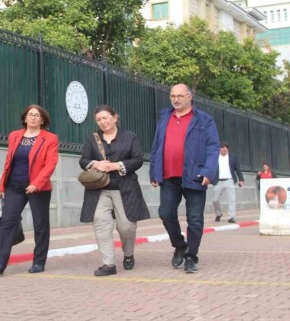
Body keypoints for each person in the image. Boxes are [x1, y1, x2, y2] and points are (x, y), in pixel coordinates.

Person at [150, 83, 220, 274]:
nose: (176, 99)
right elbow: (157, 146)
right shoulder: (164, 117)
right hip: (169, 175)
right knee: (165, 213)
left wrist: (208, 171)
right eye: (173, 96)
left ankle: (191, 256)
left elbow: (213, 147)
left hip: (195, 175)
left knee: (195, 219)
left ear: (190, 96)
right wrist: (154, 171)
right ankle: (180, 245)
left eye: (180, 96)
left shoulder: (204, 119)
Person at [79, 105, 150, 277]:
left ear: (115, 118)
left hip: (125, 188)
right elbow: (83, 160)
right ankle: (108, 263)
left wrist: (117, 165)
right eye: (99, 119)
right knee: (101, 223)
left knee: (126, 226)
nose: (102, 122)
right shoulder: (92, 138)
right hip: (99, 189)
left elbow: (138, 159)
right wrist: (96, 164)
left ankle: (128, 254)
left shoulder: (130, 136)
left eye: (105, 118)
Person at [0, 105, 59, 275]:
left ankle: (39, 262)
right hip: (14, 186)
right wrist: (2, 185)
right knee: (7, 222)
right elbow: (8, 161)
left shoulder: (50, 138)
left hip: (38, 187)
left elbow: (50, 164)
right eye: (30, 114)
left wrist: (37, 183)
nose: (33, 117)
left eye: (37, 115)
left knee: (40, 225)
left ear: (42, 120)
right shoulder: (14, 136)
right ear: (25, 118)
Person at [211, 142, 244, 223]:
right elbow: (210, 168)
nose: (223, 151)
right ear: (219, 149)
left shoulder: (233, 157)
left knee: (232, 199)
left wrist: (241, 179)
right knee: (215, 200)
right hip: (218, 180)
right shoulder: (214, 157)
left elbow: (238, 168)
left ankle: (231, 217)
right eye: (221, 150)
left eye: (225, 150)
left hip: (229, 180)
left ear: (227, 149)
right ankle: (218, 214)